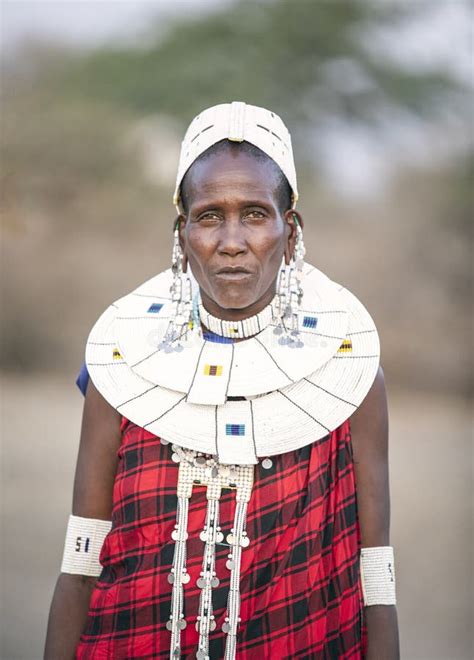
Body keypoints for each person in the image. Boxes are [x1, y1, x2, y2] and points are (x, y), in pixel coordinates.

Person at [45, 101, 399, 659]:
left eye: (256, 214)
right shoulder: (120, 366)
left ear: (291, 230)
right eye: (210, 216)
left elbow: (374, 581)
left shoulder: (348, 373)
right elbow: (80, 565)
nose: (232, 241)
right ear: (183, 234)